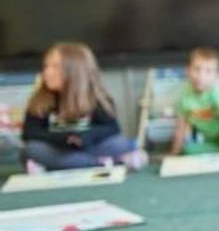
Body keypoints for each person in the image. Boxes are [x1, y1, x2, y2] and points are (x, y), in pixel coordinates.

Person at [20, 42, 147, 172]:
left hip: (90, 146)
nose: (46, 72)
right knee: (31, 149)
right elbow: (30, 133)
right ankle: (106, 162)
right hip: (58, 149)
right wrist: (63, 138)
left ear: (75, 71)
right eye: (46, 66)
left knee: (121, 143)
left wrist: (85, 137)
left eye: (55, 67)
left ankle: (65, 164)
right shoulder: (40, 101)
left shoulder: (97, 98)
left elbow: (111, 128)